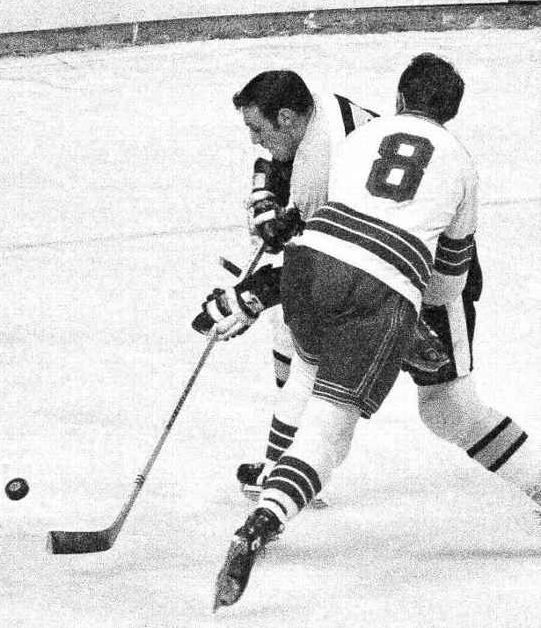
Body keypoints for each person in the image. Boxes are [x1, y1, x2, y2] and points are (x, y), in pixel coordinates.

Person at [196, 53, 541, 611]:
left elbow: (327, 230)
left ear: (400, 99)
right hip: (396, 291)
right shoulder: (460, 162)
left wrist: (259, 285)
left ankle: (271, 495)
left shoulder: (361, 135)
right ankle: (272, 505)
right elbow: (447, 286)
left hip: (313, 272)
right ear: (450, 112)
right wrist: (404, 321)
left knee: (307, 371)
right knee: (442, 410)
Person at [216, 70, 381, 502]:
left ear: (287, 117)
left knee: (309, 359)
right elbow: (272, 160)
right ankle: (283, 461)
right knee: (292, 345)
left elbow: (319, 270)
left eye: (257, 128)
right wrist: (266, 196)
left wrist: (253, 294)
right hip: (359, 242)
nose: (254, 139)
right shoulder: (315, 106)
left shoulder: (322, 169)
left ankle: (282, 471)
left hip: (391, 270)